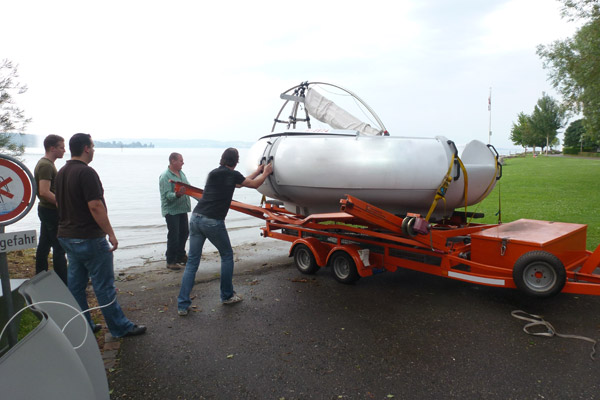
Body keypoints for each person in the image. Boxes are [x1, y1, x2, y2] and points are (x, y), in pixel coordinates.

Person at [56, 133, 146, 337]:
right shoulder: (86, 173)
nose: (94, 150)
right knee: (104, 286)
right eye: (93, 146)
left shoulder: (62, 172)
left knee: (76, 286)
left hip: (67, 236)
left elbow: (60, 203)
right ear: (86, 148)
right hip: (88, 237)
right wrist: (110, 234)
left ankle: (84, 326)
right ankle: (120, 327)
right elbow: (95, 206)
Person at [177, 148, 273, 314]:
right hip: (212, 221)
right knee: (227, 255)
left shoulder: (214, 173)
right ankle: (227, 296)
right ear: (236, 162)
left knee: (192, 262)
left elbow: (240, 183)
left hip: (196, 218)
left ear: (222, 159)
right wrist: (266, 172)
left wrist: (258, 170)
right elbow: (254, 184)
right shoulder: (232, 175)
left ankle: (182, 305)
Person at [33, 134, 68, 284]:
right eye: (61, 147)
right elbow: (44, 192)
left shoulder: (47, 164)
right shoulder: (46, 165)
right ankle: (63, 282)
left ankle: (40, 277)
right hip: (50, 211)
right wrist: (63, 204)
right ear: (52, 148)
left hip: (46, 210)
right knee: (59, 248)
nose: (64, 150)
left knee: (44, 245)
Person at [159, 153, 191, 271]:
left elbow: (189, 188)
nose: (183, 163)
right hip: (171, 210)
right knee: (174, 235)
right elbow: (167, 195)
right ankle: (171, 261)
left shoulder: (181, 173)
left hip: (182, 208)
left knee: (184, 232)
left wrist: (203, 198)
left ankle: (180, 256)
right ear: (173, 161)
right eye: (181, 161)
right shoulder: (165, 176)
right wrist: (177, 195)